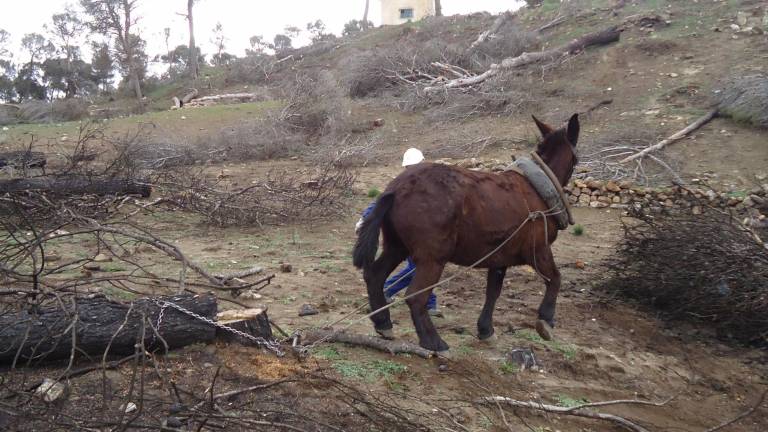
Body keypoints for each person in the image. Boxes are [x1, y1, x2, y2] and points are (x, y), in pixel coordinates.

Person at [355, 148, 441, 317]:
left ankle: (429, 304)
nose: (412, 171)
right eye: (409, 168)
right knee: (417, 268)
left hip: (426, 234)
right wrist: (365, 218)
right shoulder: (404, 184)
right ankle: (388, 290)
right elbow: (383, 200)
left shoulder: (432, 186)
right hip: (409, 235)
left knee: (424, 268)